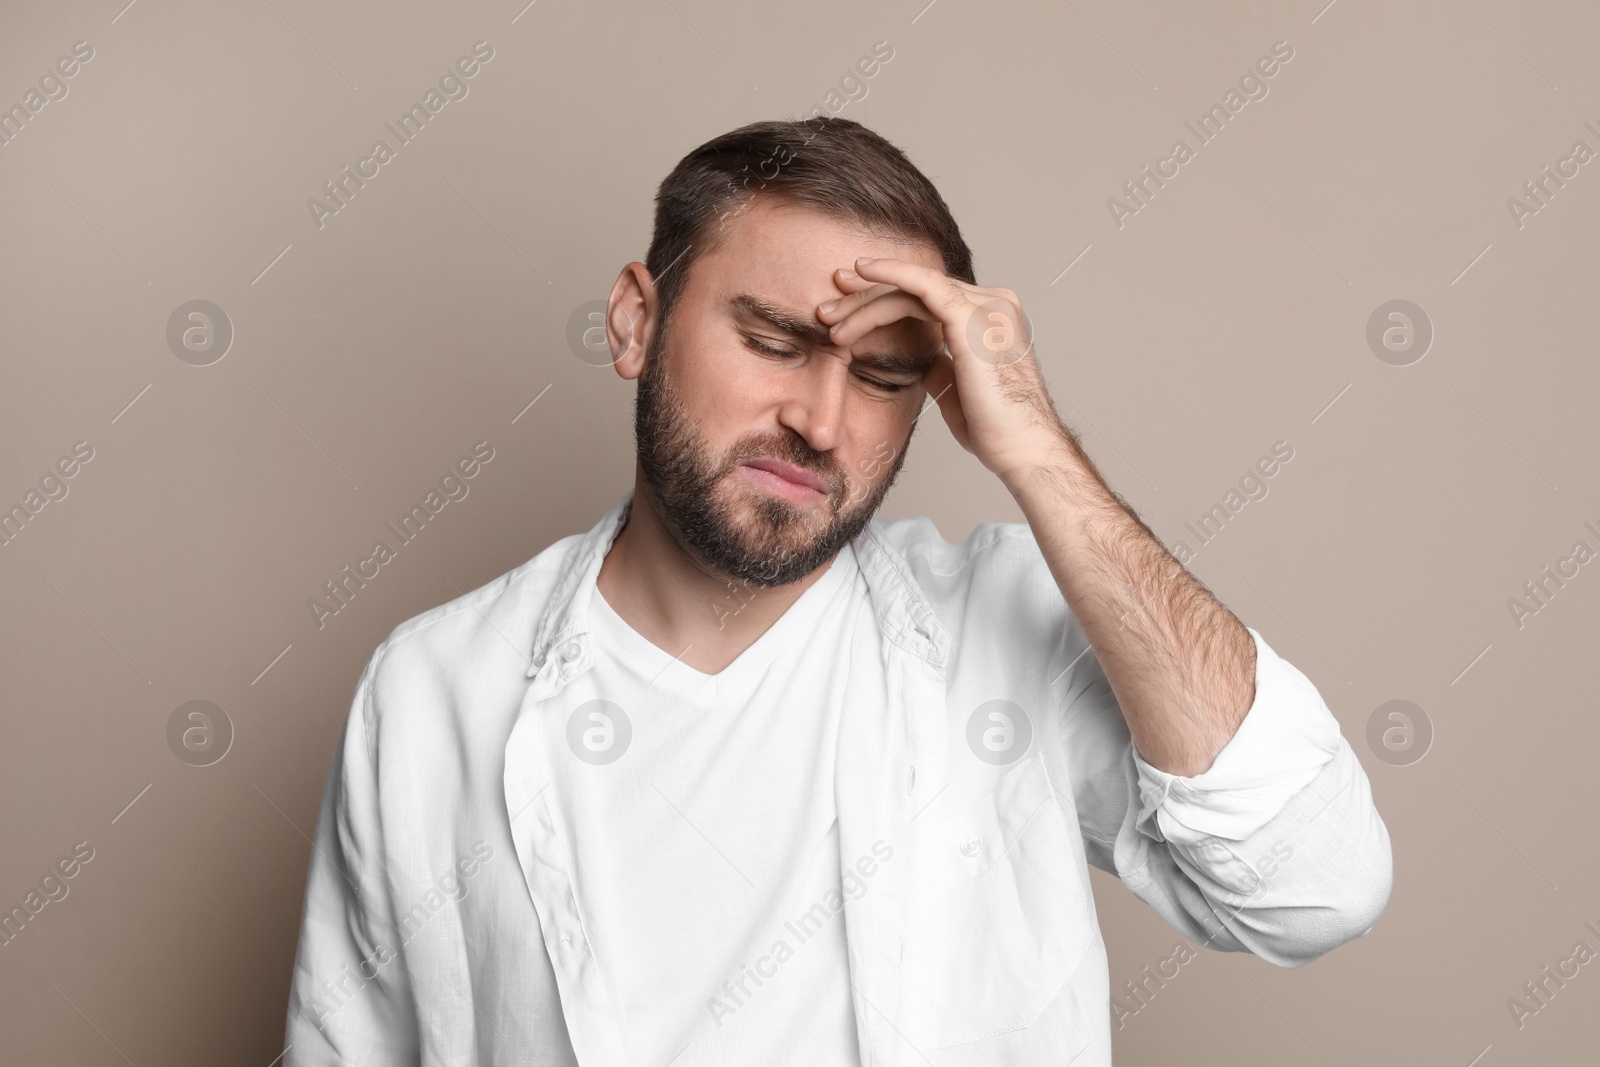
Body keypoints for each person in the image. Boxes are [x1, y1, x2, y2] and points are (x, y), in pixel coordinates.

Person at [284, 117, 1392, 1066]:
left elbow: (1314, 882)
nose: (819, 420)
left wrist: (1037, 449)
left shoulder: (996, 629)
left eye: (881, 375)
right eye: (772, 340)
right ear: (635, 320)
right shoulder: (435, 687)